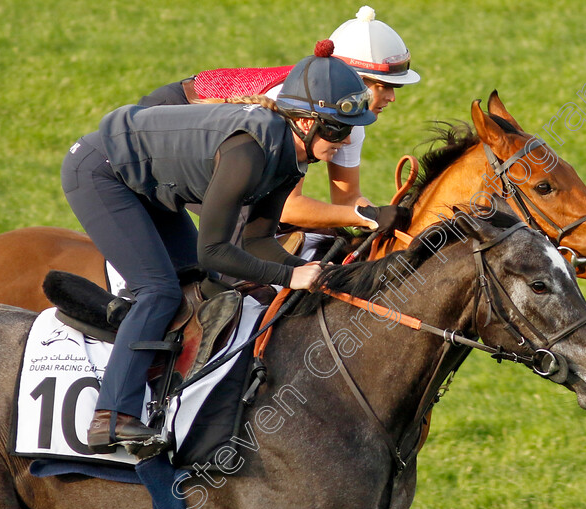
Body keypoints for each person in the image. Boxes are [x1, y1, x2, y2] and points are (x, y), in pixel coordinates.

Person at [61, 41, 376, 454]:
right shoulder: (248, 152)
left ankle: (166, 390)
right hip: (101, 172)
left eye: (349, 128)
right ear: (303, 122)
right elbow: (216, 250)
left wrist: (305, 273)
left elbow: (257, 242)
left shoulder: (290, 158)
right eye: (335, 128)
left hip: (148, 183)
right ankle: (111, 417)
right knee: (159, 291)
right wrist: (290, 275)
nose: (343, 140)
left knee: (202, 286)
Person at [139, 5, 419, 236]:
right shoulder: (296, 105)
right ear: (352, 77)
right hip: (171, 118)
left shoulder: (349, 123)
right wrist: (367, 217)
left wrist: (386, 221)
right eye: (382, 85)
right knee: (249, 226)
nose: (392, 97)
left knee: (327, 234)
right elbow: (289, 207)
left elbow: (346, 200)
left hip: (221, 138)